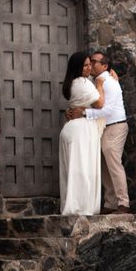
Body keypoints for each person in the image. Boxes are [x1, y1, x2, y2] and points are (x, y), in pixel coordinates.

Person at [67, 51, 130, 214]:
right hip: (102, 128)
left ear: (104, 66)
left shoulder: (108, 82)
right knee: (104, 165)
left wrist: (84, 113)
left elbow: (107, 109)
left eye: (94, 62)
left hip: (115, 126)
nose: (91, 64)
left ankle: (124, 203)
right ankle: (110, 203)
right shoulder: (93, 81)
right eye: (90, 62)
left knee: (114, 164)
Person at [59, 51, 105, 215]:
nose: (89, 68)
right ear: (77, 68)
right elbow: (99, 103)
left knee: (74, 170)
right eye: (85, 65)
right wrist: (100, 84)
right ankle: (81, 207)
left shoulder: (73, 82)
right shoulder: (82, 82)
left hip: (74, 128)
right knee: (83, 170)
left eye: (89, 64)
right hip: (81, 130)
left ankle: (76, 205)